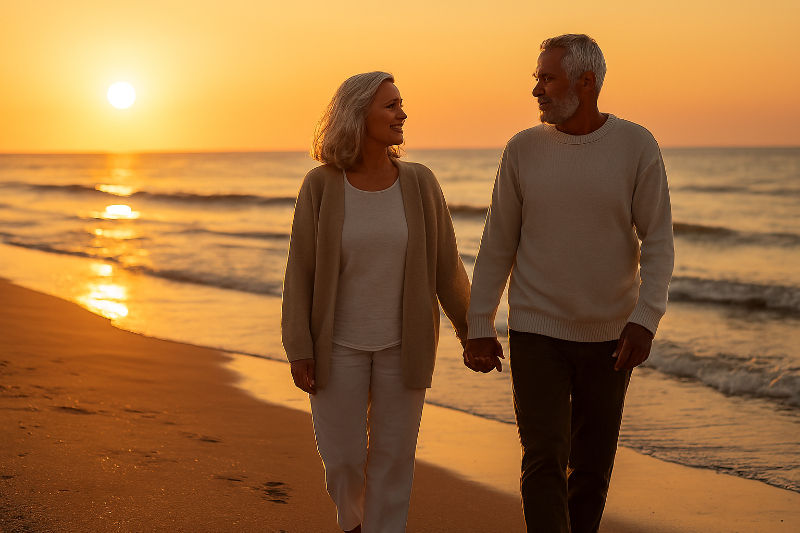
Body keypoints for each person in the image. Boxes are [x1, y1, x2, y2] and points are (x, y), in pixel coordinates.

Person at [463, 34, 674, 533]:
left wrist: (644, 320)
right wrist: (478, 325)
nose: (536, 89)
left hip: (611, 337)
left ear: (586, 82)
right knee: (543, 457)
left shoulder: (636, 145)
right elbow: (497, 243)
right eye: (537, 78)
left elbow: (659, 242)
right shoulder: (522, 150)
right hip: (537, 333)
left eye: (546, 77)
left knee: (593, 466)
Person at [281, 71, 470, 533]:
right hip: (337, 345)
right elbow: (300, 272)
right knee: (342, 457)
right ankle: (353, 524)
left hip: (402, 347)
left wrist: (474, 332)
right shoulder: (322, 185)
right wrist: (299, 346)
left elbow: (447, 266)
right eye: (390, 105)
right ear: (358, 113)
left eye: (401, 104)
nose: (402, 114)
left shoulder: (420, 183)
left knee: (394, 457)